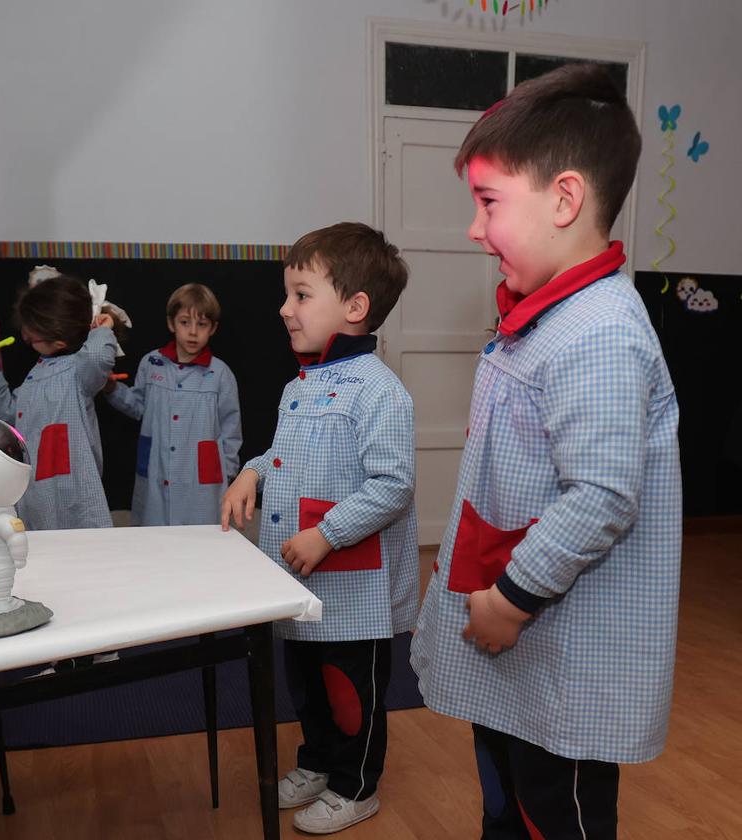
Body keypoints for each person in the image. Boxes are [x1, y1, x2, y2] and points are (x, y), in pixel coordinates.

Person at [410, 63, 680, 839]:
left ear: (565, 198)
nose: (472, 228)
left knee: (552, 806)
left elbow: (600, 494)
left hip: (557, 644)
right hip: (525, 644)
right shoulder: (549, 315)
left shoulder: (597, 332)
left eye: (488, 202)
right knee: (509, 790)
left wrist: (513, 596)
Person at [222, 222, 417, 834]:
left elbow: (392, 485)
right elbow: (287, 456)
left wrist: (327, 533)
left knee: (349, 692)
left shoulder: (381, 392)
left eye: (301, 295)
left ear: (355, 307)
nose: (285, 309)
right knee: (305, 681)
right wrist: (251, 471)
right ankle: (318, 759)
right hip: (301, 578)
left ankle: (356, 784)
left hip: (352, 584)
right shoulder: (299, 384)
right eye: (287, 295)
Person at [0, 273, 120, 531]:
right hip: (36, 497)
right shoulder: (35, 376)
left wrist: (102, 330)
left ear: (59, 339)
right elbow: (8, 414)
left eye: (31, 333)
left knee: (92, 560)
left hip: (78, 496)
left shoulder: (80, 372)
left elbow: (98, 356)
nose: (25, 335)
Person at [103, 283, 241, 525]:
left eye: (202, 324)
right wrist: (112, 388)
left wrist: (228, 474)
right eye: (185, 322)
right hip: (157, 471)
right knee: (155, 536)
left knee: (200, 538)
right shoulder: (151, 363)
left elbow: (231, 429)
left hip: (202, 484)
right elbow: (138, 406)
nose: (193, 332)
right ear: (171, 324)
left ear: (213, 328)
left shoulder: (220, 374)